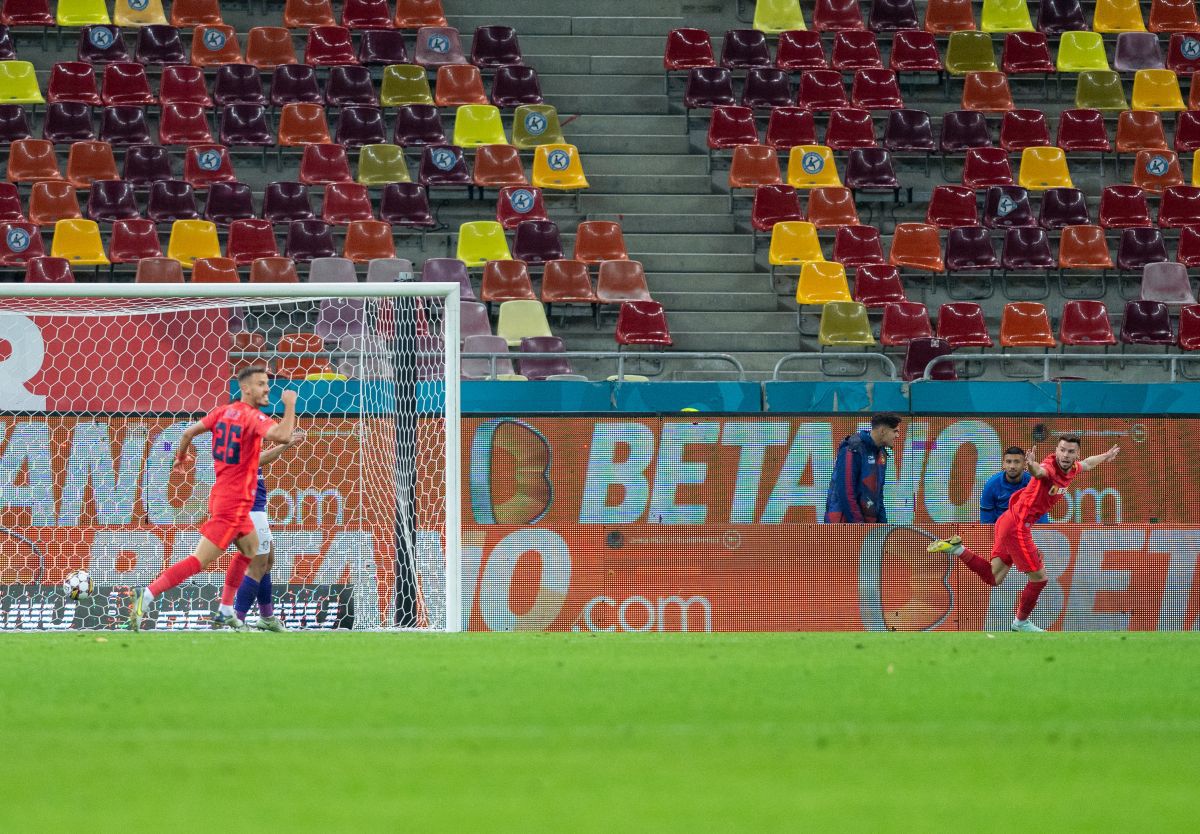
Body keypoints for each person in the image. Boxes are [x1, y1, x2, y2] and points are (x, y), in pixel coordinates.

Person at [129, 367, 298, 631]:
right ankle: (148, 594)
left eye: (267, 383)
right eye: (262, 384)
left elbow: (187, 434)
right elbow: (283, 434)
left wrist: (181, 457)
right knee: (199, 561)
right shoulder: (252, 417)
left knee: (251, 549)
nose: (267, 389)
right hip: (233, 502)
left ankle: (226, 610)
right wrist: (290, 404)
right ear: (247, 389)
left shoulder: (221, 412)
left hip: (229, 497)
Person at [928, 434, 1120, 633]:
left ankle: (957, 549)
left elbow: (1088, 464)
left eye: (1071, 451)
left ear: (1076, 454)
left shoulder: (1072, 468)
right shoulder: (1050, 467)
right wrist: (1031, 465)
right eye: (1062, 450)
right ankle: (1020, 623)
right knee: (1039, 578)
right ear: (1056, 451)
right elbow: (1040, 472)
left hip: (1008, 521)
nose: (1065, 455)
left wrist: (1105, 456)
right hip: (1017, 526)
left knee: (994, 578)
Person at [214, 429, 304, 632]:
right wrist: (287, 443)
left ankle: (267, 617)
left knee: (268, 560)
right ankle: (234, 621)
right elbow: (257, 460)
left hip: (257, 510)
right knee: (256, 566)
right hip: (249, 511)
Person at [824, 413, 901, 523]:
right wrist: (859, 526)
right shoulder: (852, 448)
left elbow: (878, 496)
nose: (898, 435)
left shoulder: (882, 454)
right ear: (883, 431)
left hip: (866, 527)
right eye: (895, 431)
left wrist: (882, 527)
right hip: (843, 526)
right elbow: (846, 492)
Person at [980, 446, 1049, 524]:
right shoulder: (991, 486)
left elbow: (1041, 519)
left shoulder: (1034, 484)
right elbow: (986, 522)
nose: (1012, 466)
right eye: (1008, 462)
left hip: (1027, 531)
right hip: (1001, 531)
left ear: (1024, 464)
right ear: (1003, 464)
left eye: (1017, 462)